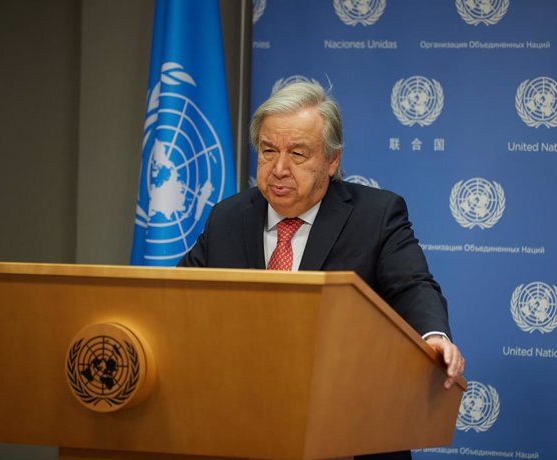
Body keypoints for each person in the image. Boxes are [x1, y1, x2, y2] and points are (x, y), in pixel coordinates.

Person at [178, 82, 465, 459]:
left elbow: (412, 286)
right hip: (242, 428)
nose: (279, 169)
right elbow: (178, 295)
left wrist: (434, 336)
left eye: (297, 154)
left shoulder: (375, 216)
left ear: (332, 160)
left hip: (350, 432)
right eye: (268, 151)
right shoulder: (227, 218)